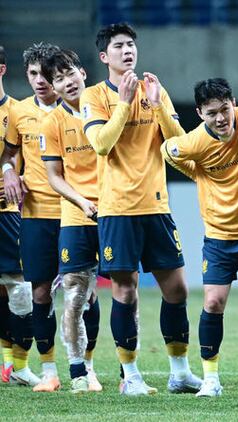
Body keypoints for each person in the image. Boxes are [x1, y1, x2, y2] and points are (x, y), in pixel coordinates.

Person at [80, 22, 201, 395]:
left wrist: (158, 104)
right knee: (125, 291)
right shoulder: (93, 96)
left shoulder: (155, 90)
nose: (127, 50)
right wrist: (124, 103)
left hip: (156, 205)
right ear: (105, 56)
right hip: (117, 209)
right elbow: (101, 144)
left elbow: (180, 145)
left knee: (177, 290)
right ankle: (130, 376)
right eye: (119, 46)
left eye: (131, 44)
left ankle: (180, 372)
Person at [161, 78, 238, 398]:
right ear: (200, 114)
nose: (221, 118)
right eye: (212, 113)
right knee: (213, 302)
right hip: (219, 235)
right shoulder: (195, 142)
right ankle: (211, 379)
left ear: (234, 103)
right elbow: (168, 150)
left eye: (225, 109)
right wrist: (197, 172)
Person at [1, 42, 64, 391]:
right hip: (34, 213)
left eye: (45, 73)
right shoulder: (21, 111)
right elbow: (10, 156)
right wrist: (10, 169)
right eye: (33, 74)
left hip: (65, 212)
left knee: (77, 292)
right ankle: (29, 367)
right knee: (29, 291)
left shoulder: (77, 109)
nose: (40, 80)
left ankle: (83, 369)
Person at [40, 49, 103, 393]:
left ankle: (128, 372)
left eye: (70, 74)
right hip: (77, 215)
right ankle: (79, 371)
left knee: (125, 290)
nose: (67, 82)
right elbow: (54, 175)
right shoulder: (52, 123)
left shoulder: (106, 106)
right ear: (54, 87)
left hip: (117, 211)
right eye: (58, 79)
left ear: (83, 72)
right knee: (75, 292)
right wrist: (81, 201)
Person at [0, 44, 31, 385]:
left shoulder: (18, 112)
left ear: (1, 70)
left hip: (7, 211)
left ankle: (15, 366)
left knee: (17, 288)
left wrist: (20, 176)